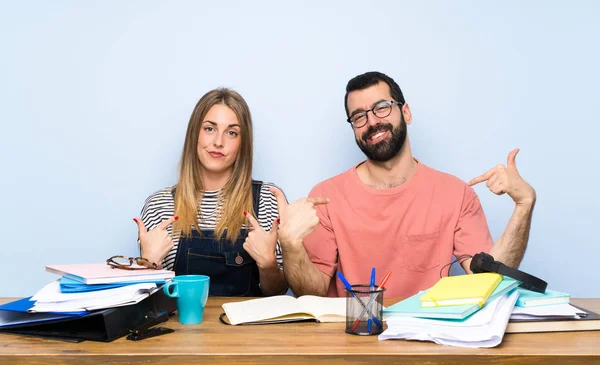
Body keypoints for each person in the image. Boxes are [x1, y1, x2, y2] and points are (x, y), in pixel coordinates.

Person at [275, 71, 536, 298]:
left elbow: (487, 280)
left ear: (406, 112)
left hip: (426, 343)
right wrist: (290, 244)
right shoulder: (325, 197)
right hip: (352, 343)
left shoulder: (456, 195)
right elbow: (311, 292)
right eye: (359, 116)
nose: (372, 121)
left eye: (381, 107)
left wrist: (524, 205)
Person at [133, 88, 287, 296]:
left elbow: (276, 293)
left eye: (231, 132)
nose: (218, 142)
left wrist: (268, 264)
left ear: (243, 143)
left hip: (247, 329)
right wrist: (148, 264)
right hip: (182, 328)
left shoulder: (267, 200)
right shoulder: (159, 206)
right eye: (209, 129)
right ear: (194, 133)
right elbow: (148, 302)